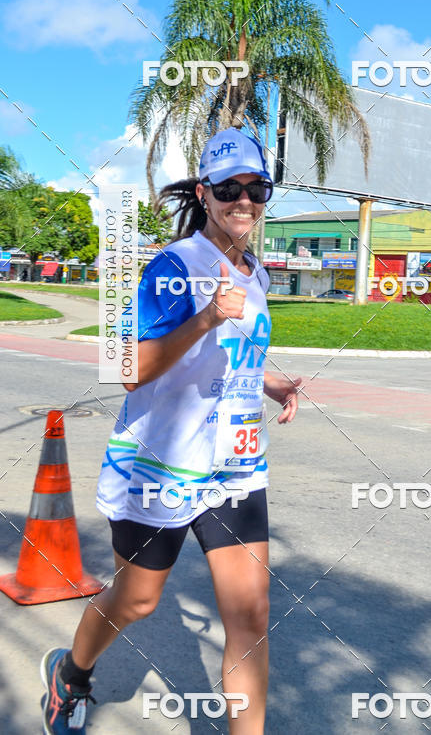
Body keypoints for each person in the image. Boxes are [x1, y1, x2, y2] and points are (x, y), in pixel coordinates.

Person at [41, 128, 302, 734]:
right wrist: (206, 315)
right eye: (228, 188)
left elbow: (231, 353)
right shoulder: (173, 267)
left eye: (256, 187)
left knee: (250, 616)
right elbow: (130, 371)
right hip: (160, 466)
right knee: (137, 600)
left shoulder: (256, 273)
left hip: (235, 469)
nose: (244, 199)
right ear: (205, 195)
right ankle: (72, 674)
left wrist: (270, 382)